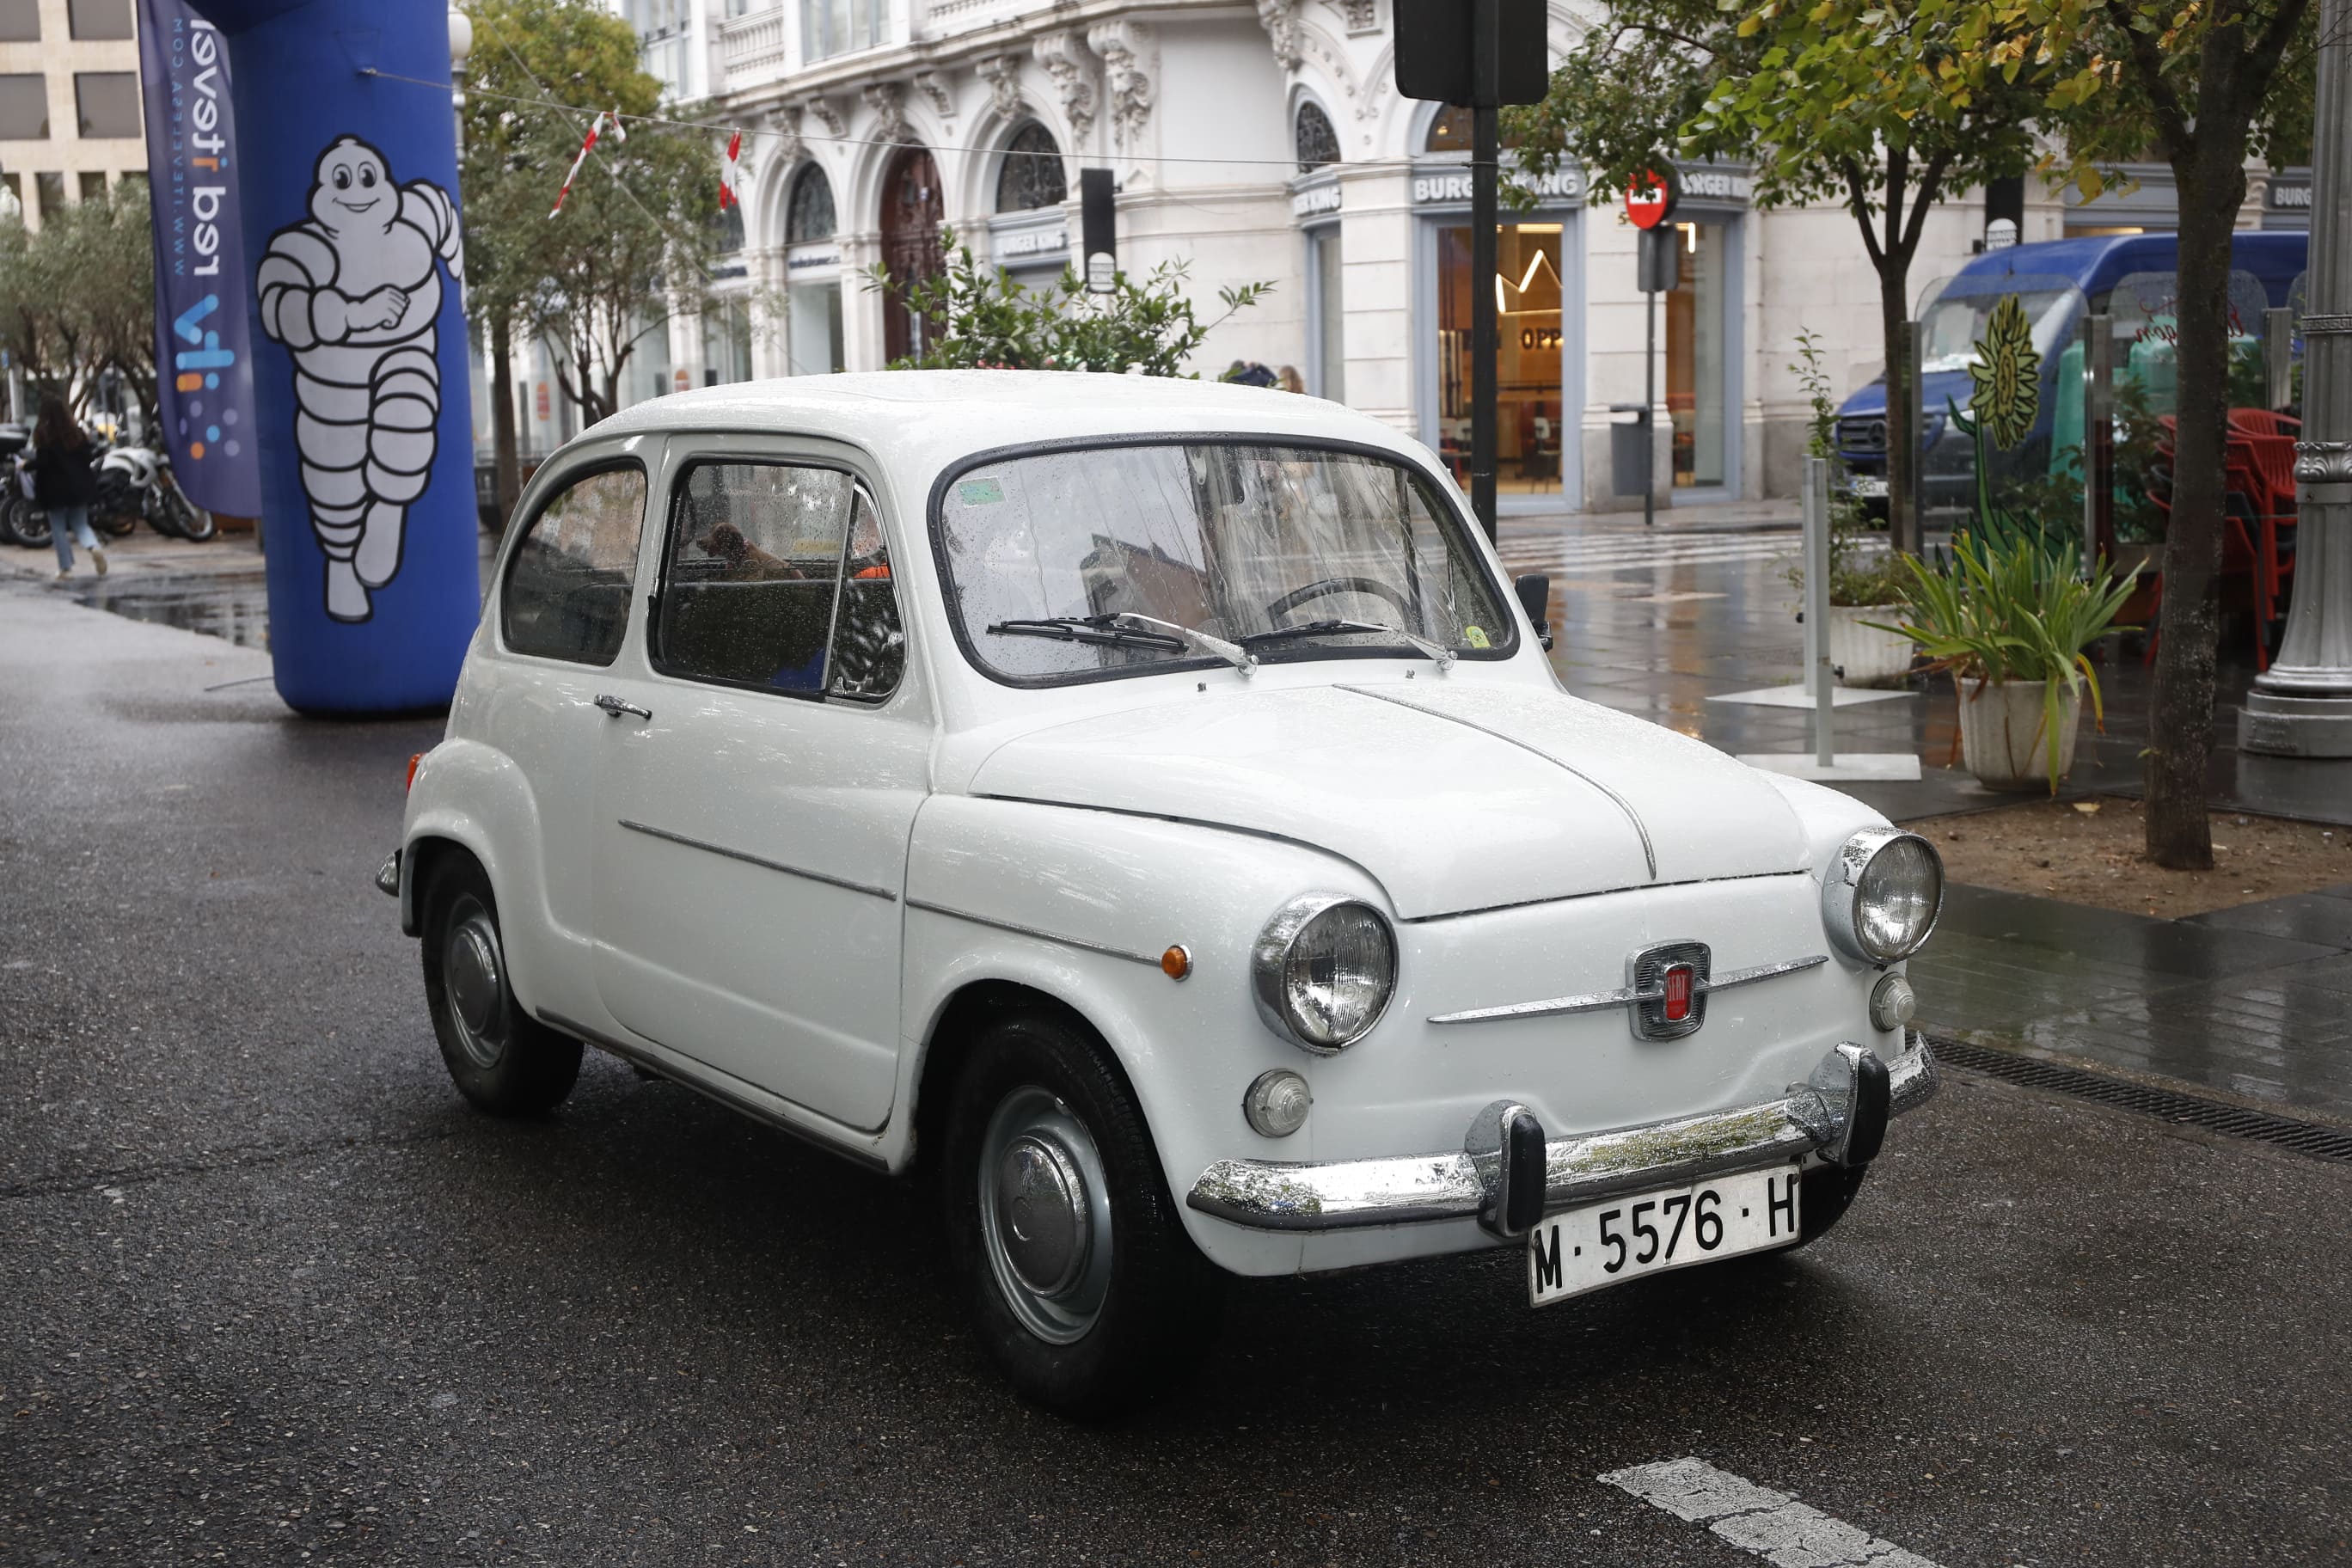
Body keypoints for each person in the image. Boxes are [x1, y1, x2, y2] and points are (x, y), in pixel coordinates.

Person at [29, 395, 105, 579]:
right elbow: (88, 456)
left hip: (54, 490)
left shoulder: (44, 434)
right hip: (78, 486)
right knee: (81, 525)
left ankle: (66, 568)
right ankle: (94, 547)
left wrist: (24, 465)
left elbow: (43, 462)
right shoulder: (77, 433)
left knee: (58, 528)